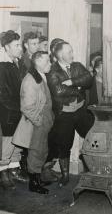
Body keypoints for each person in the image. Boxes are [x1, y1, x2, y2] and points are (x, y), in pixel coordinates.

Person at [46, 41, 94, 186]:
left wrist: (72, 81)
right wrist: (79, 88)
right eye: (69, 52)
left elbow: (89, 79)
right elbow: (58, 91)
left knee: (92, 136)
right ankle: (65, 175)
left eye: (72, 51)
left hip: (80, 111)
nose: (72, 54)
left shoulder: (77, 66)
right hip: (64, 114)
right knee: (64, 145)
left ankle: (93, 167)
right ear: (60, 55)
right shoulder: (52, 70)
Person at [19, 51, 54, 194]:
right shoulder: (30, 80)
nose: (50, 64)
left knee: (42, 151)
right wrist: (39, 122)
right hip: (37, 123)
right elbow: (27, 107)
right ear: (38, 62)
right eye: (47, 61)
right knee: (36, 152)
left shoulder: (41, 76)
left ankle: (38, 179)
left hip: (44, 121)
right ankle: (33, 184)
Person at [0, 30, 27, 190]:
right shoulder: (2, 66)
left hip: (17, 111)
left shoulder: (15, 63)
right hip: (7, 112)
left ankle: (14, 170)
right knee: (7, 143)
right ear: (6, 47)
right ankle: (3, 172)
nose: (20, 48)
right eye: (16, 45)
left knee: (18, 141)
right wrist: (15, 108)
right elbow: (2, 94)